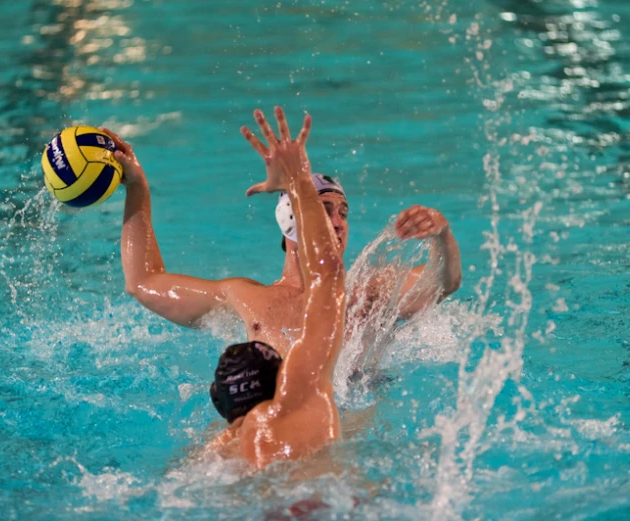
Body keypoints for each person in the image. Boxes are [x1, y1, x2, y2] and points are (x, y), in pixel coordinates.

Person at [101, 108, 460, 356]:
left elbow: (442, 283)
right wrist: (137, 186)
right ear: (292, 222)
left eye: (344, 213)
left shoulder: (369, 293)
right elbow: (144, 283)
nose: (337, 222)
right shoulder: (248, 299)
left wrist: (441, 235)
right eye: (324, 210)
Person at [199, 107, 345, 468]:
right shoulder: (305, 402)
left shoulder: (215, 452)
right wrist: (297, 178)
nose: (339, 223)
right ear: (286, 376)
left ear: (220, 401)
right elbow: (328, 275)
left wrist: (136, 186)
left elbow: (140, 284)